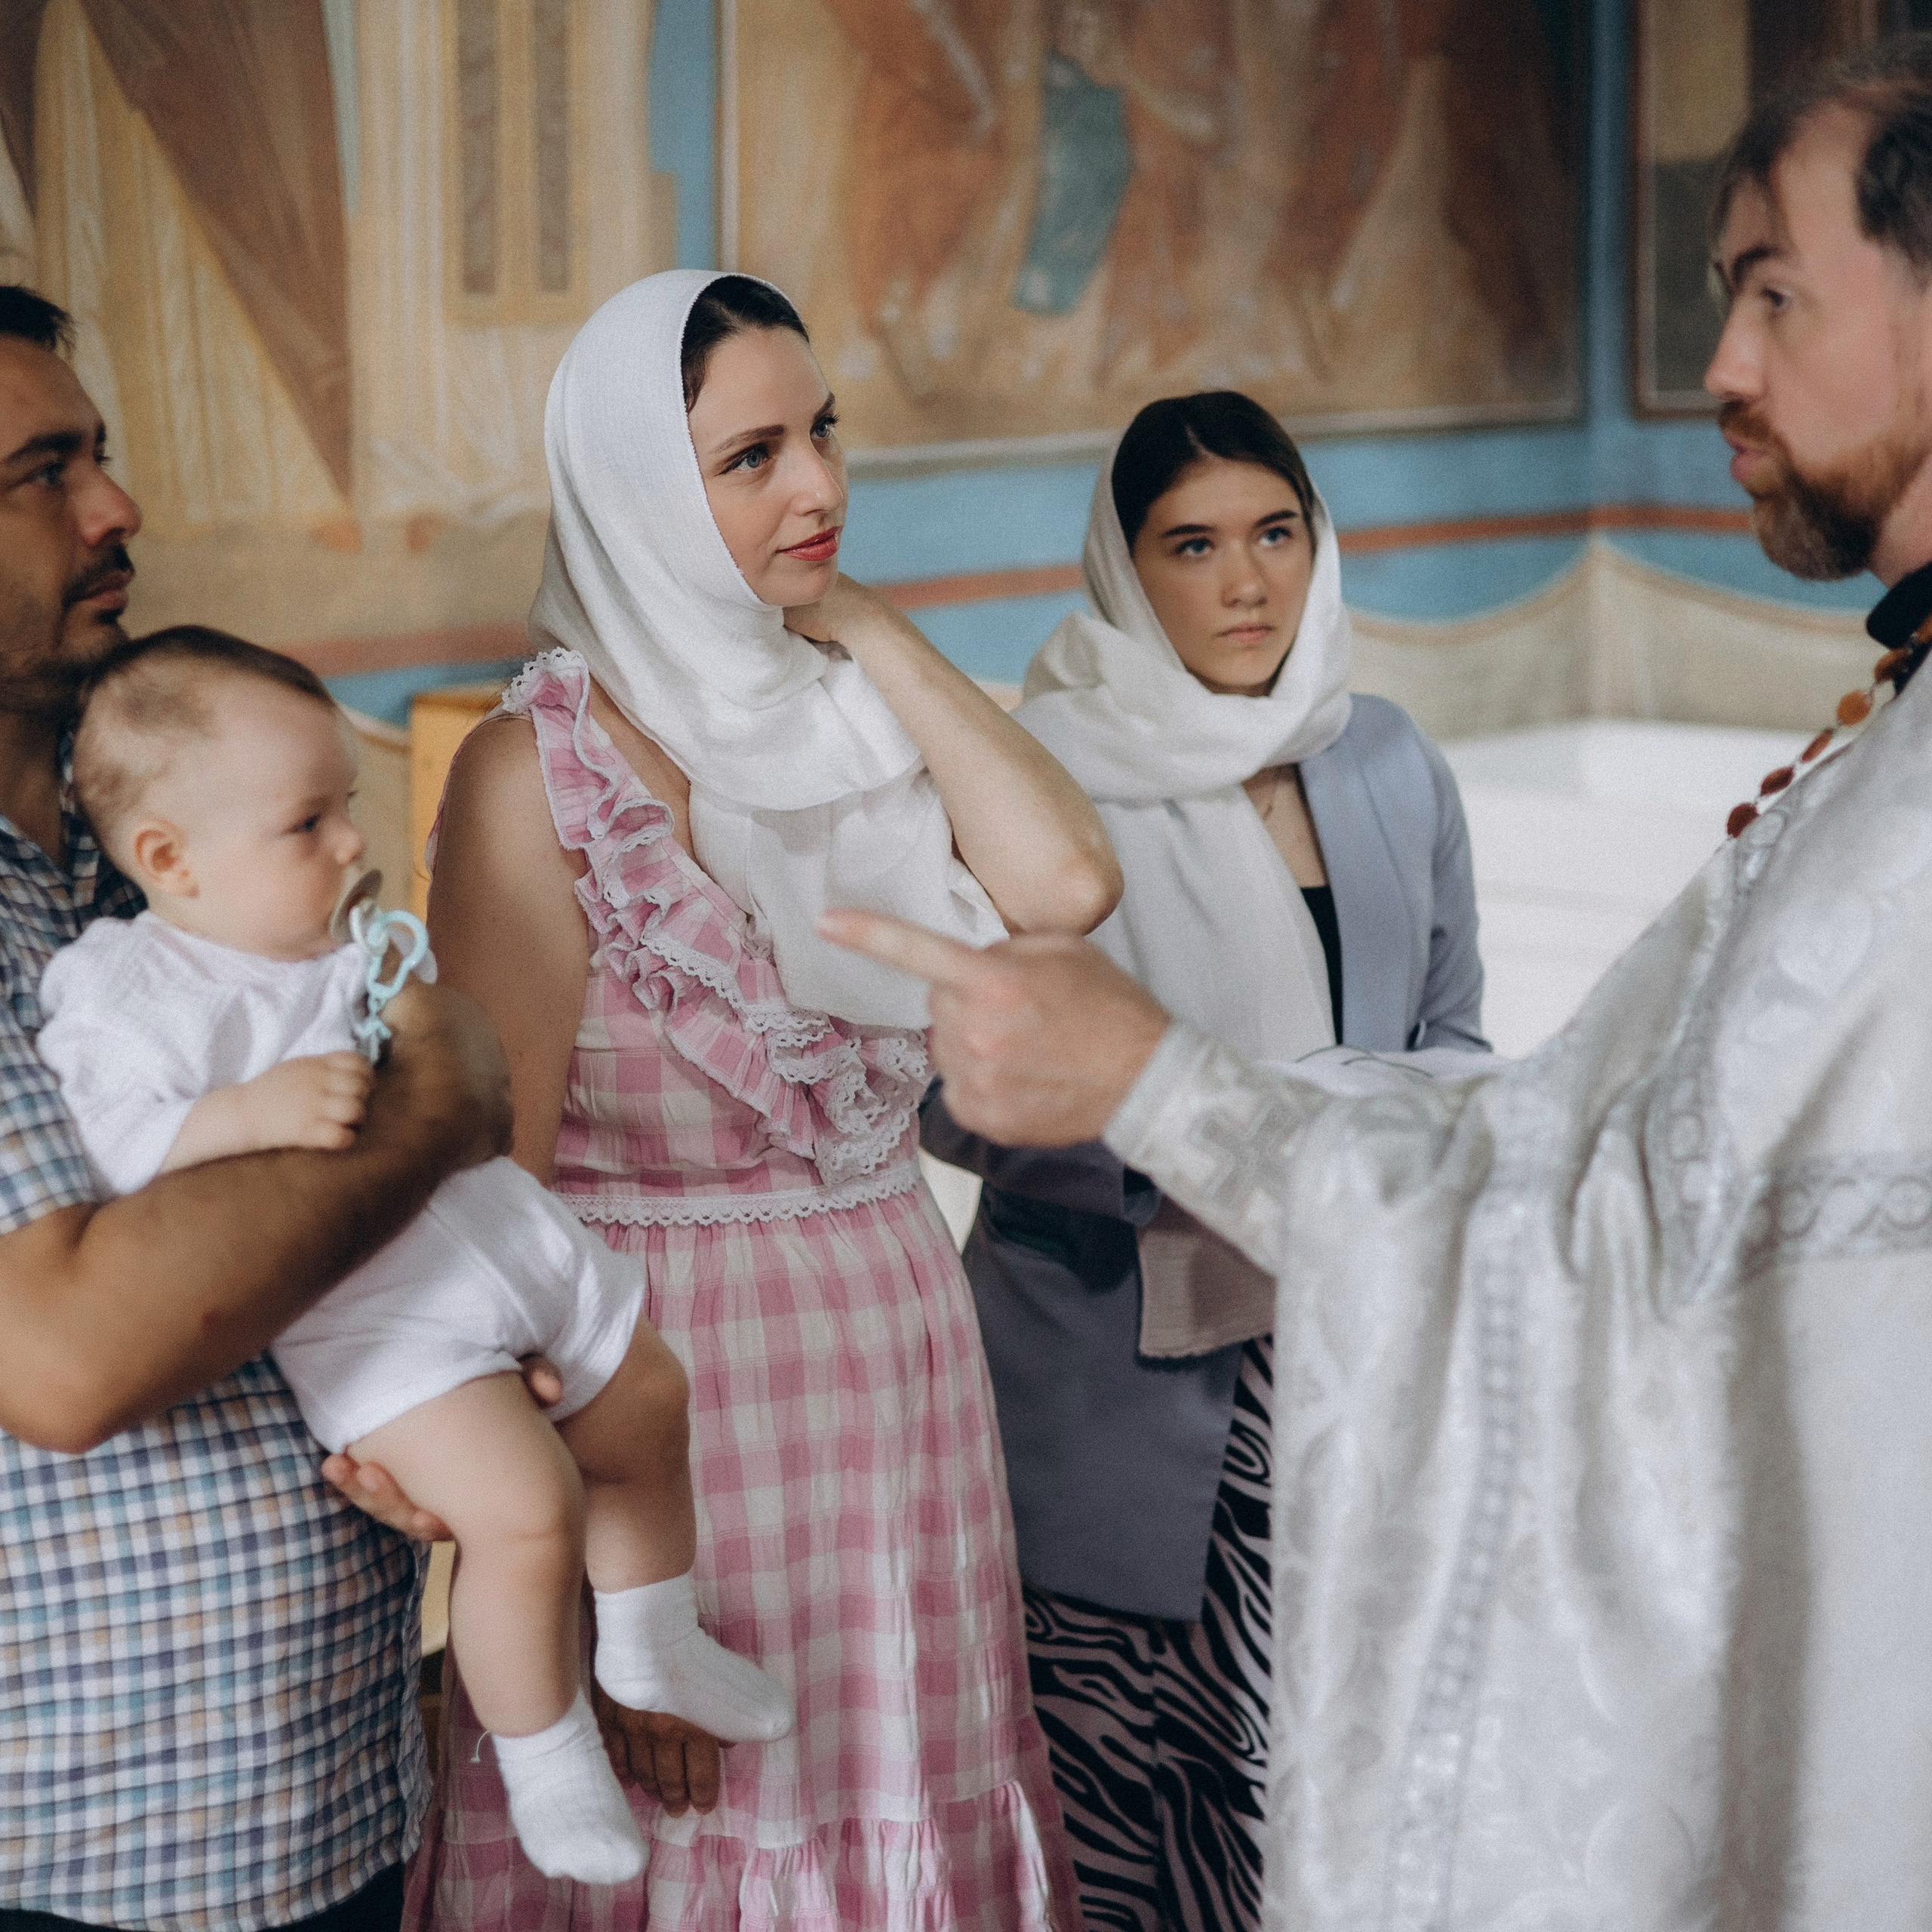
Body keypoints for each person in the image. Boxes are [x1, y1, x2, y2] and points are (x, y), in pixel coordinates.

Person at [826, 36, 1932, 1927]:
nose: (1723, 368)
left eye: (1767, 292)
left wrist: (1171, 1089)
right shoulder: (1884, 749)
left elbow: (1592, 1216)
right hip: (1118, 1406)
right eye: (1192, 545)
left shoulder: (1408, 764)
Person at [395, 269, 1118, 1927]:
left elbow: (1063, 881)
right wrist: (610, 1589)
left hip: (899, 1394)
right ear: (641, 487)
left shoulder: (844, 717)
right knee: (705, 1859)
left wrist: (861, 624)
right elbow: (493, 1216)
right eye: (749, 457)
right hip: (668, 1415)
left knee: (888, 1823)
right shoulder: (539, 772)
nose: (817, 487)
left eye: (823, 435)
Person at [37, 626, 797, 1890]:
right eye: (308, 824)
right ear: (170, 860)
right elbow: (117, 1148)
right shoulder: (129, 990)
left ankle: (655, 1642)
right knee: (527, 1511)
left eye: (344, 805)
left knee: (655, 1399)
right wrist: (247, 1116)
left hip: (498, 1251)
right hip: (387, 1328)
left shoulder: (338, 950)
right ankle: (548, 1754)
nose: (351, 842)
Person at [921, 389, 1484, 1931]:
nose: (1244, 583)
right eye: (1191, 545)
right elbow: (953, 1084)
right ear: (1123, 565)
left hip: (1335, 1365)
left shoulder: (1380, 759)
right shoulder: (1030, 772)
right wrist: (1191, 1139)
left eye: (1273, 534)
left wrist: (1308, 1117)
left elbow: (1450, 1027)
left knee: (1294, 1808)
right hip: (1099, 1375)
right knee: (1100, 1821)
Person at [0, 286, 514, 1931]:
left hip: (335, 1779)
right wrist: (434, 1097)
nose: (118, 509)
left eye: (104, 457)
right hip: (101, 1844)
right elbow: (71, 1353)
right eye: (43, 470)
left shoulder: (155, 818)